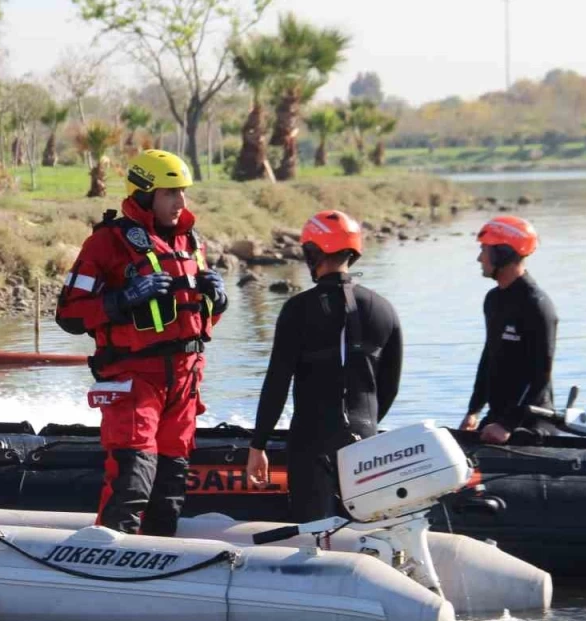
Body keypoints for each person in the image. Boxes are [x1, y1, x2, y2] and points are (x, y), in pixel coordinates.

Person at [55, 149, 227, 536]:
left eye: (183, 192)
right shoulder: (106, 243)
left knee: (171, 488)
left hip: (184, 382)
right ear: (146, 194)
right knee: (133, 479)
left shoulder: (190, 241)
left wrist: (218, 301)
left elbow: (196, 321)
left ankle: (159, 556)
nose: (180, 202)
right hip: (135, 380)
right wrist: (122, 299)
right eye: (170, 193)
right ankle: (110, 557)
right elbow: (69, 315)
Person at [246, 210, 403, 523]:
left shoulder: (297, 310)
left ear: (312, 252)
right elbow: (389, 386)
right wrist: (365, 425)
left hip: (312, 442)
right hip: (366, 440)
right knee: (363, 535)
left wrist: (258, 445)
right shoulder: (384, 309)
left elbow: (277, 383)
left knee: (314, 537)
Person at [460, 215, 558, 444]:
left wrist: (507, 425)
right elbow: (489, 357)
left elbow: (541, 375)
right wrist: (474, 410)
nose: (479, 258)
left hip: (531, 423)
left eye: (484, 250)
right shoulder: (493, 300)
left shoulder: (537, 305)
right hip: (497, 418)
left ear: (502, 253)